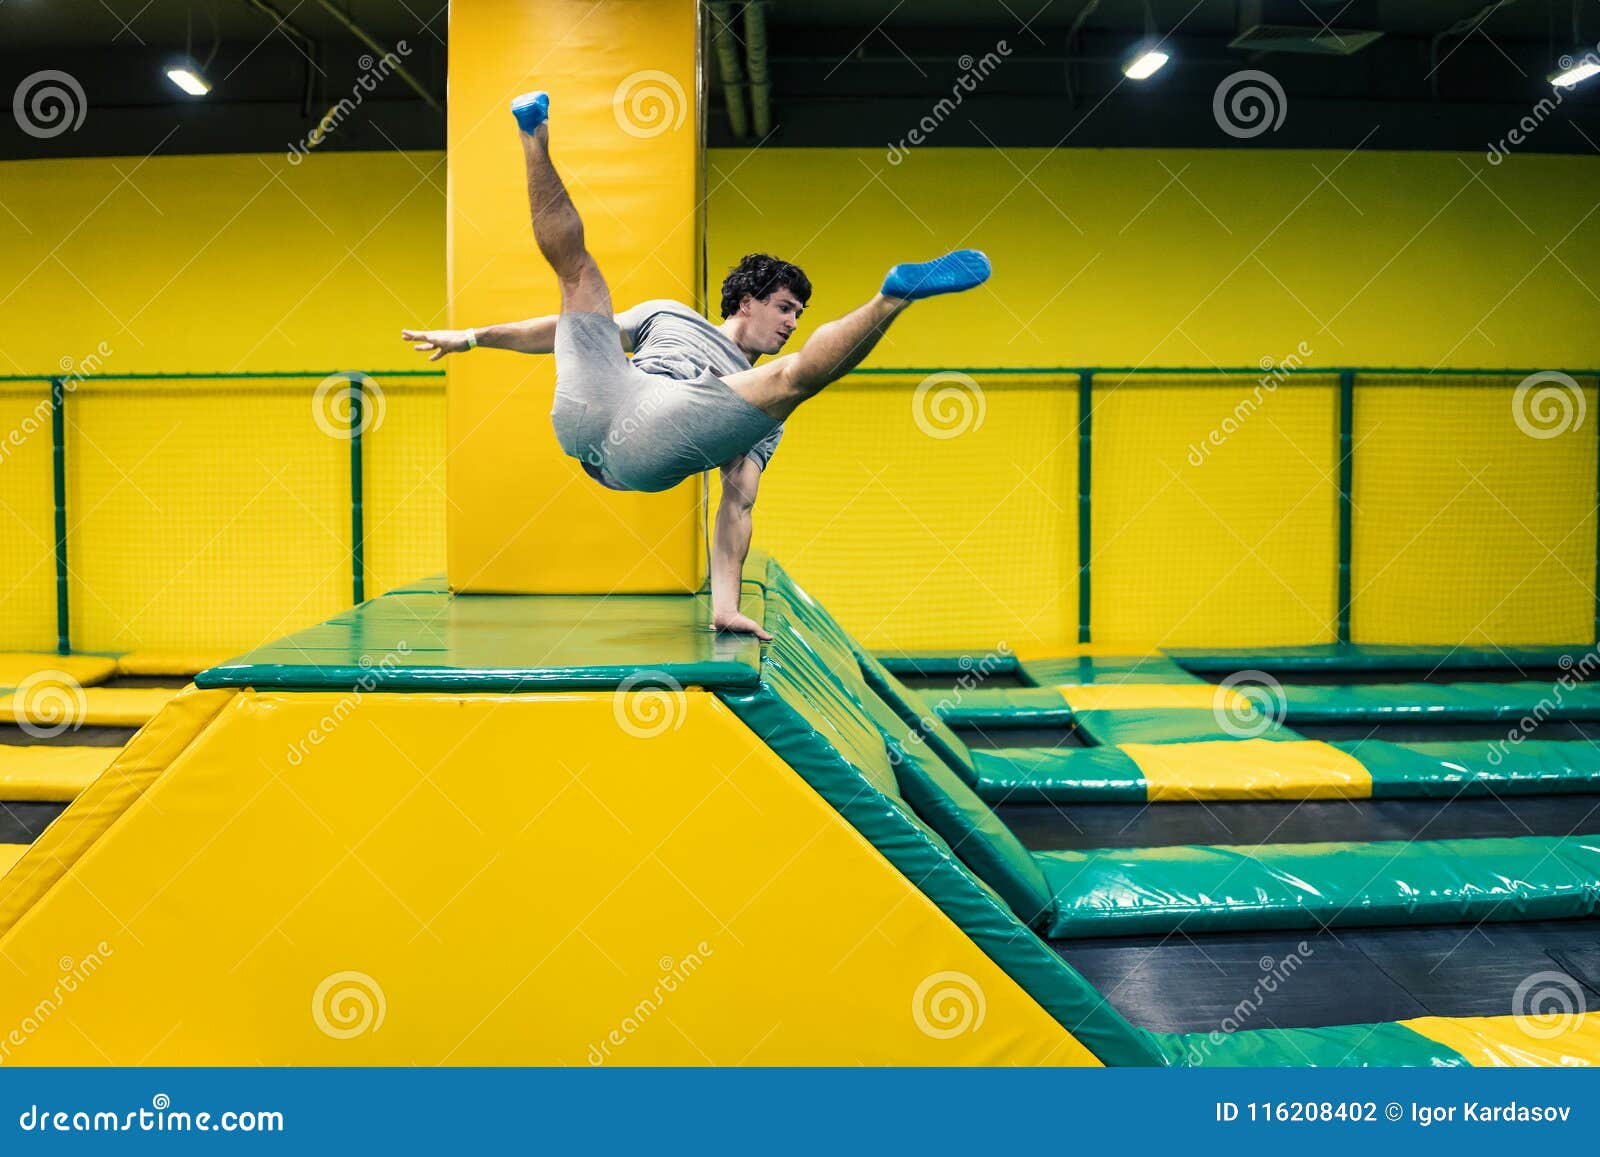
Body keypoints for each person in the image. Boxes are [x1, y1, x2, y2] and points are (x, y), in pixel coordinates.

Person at [402, 90, 991, 638]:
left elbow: (738, 500)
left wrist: (473, 339)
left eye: (800, 315)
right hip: (618, 400)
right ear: (745, 301)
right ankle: (891, 298)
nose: (791, 323)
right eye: (785, 308)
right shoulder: (700, 345)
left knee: (579, 273)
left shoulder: (720, 376)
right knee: (788, 377)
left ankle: (532, 135)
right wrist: (475, 338)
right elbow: (573, 334)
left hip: (623, 424)